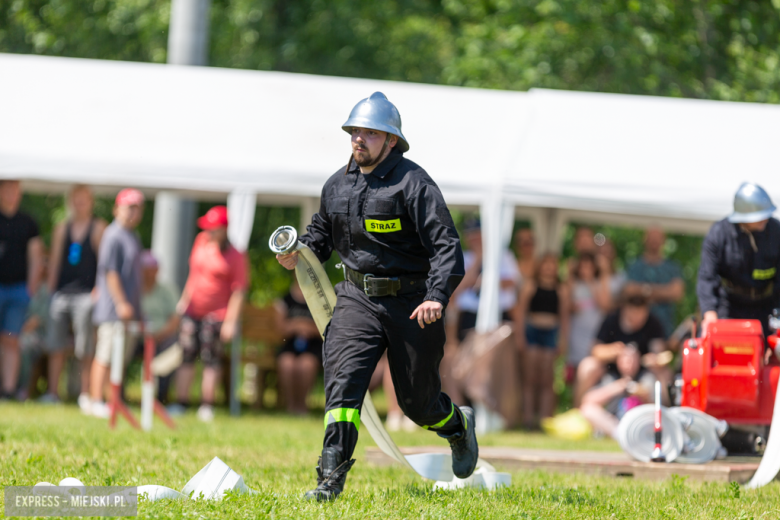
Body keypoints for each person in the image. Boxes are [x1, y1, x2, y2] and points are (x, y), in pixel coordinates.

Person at [276, 92, 477, 501]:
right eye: (354, 131)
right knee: (343, 387)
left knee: (417, 404)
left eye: (369, 132)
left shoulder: (415, 184)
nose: (358, 139)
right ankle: (329, 482)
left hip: (414, 303)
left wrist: (437, 295)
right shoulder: (336, 185)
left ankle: (457, 426)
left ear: (391, 140)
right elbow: (320, 234)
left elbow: (447, 248)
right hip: (355, 298)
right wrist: (299, 251)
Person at [173, 205, 247, 423]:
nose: (208, 232)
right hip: (192, 310)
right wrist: (183, 303)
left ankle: (207, 405)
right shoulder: (200, 242)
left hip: (217, 315)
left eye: (212, 228)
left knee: (210, 359)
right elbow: (193, 275)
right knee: (186, 355)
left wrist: (231, 322)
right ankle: (181, 402)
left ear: (224, 229)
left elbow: (239, 290)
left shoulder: (236, 255)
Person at [40, 185, 107, 408]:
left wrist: (99, 290)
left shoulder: (98, 228)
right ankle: (52, 393)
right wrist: (50, 292)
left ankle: (85, 393)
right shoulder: (62, 228)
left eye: (84, 199)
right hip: (62, 293)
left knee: (84, 346)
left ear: (91, 202)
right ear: (70, 201)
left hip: (87, 294)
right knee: (55, 344)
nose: (80, 203)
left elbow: (104, 264)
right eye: (76, 199)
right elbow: (56, 262)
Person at [89, 188, 145, 418]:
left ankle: (112, 401)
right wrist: (121, 302)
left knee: (118, 358)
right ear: (117, 209)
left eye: (137, 208)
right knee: (105, 355)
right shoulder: (112, 235)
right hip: (113, 310)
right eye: (129, 207)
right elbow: (110, 272)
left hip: (128, 311)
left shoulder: (133, 236)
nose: (133, 213)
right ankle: (94, 401)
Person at [698, 182, 780, 338]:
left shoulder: (776, 233)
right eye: (761, 215)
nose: (766, 219)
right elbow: (707, 277)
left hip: (766, 307)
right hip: (729, 306)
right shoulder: (719, 233)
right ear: (745, 216)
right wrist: (709, 313)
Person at [574, 295, 667, 405]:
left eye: (640, 315)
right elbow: (595, 350)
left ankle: (665, 412)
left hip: (643, 372)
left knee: (665, 374)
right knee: (587, 366)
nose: (637, 319)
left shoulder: (653, 323)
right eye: (633, 315)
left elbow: (659, 351)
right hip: (611, 371)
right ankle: (578, 409)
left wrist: (654, 359)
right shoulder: (611, 320)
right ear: (625, 310)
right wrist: (613, 351)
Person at [0, 180, 44, 399]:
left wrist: (31, 288)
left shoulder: (28, 222)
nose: (11, 194)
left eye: (14, 190)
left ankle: (8, 389)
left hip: (18, 290)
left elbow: (36, 257)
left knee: (11, 339)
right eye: (6, 189)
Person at [515, 253, 570, 429]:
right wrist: (520, 336)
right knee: (529, 378)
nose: (549, 268)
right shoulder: (531, 286)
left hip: (550, 333)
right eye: (545, 264)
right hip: (532, 331)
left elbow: (564, 317)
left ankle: (546, 420)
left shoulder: (561, 289)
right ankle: (528, 419)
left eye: (552, 264)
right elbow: (521, 312)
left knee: (547, 379)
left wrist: (562, 340)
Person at [454, 218, 520, 341]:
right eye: (470, 235)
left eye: (477, 235)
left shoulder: (504, 255)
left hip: (501, 312)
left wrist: (487, 282)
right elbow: (458, 286)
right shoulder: (462, 257)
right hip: (470, 314)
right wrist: (478, 258)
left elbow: (512, 281)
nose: (474, 239)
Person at [579, 344, 656, 439]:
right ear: (619, 361)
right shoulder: (611, 378)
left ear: (638, 361)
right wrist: (616, 387)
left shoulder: (646, 377)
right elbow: (587, 399)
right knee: (588, 409)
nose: (630, 363)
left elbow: (657, 406)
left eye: (633, 360)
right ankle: (618, 434)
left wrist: (644, 395)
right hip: (615, 422)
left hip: (639, 423)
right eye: (627, 360)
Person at [624, 227, 684, 337]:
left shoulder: (672, 267)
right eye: (651, 238)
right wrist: (664, 291)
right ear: (644, 240)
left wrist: (645, 290)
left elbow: (677, 293)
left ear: (663, 241)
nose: (654, 241)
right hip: (637, 331)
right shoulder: (635, 266)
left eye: (657, 238)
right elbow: (629, 290)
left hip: (665, 327)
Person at [274, 279, 322, 415]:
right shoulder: (284, 299)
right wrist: (299, 326)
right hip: (289, 344)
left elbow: (324, 328)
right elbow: (280, 328)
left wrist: (303, 326)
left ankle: (301, 405)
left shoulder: (319, 299)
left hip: (313, 346)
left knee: (307, 365)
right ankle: (290, 405)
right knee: (286, 363)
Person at [139, 250, 180, 404]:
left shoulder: (167, 290)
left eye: (153, 270)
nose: (150, 274)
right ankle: (118, 397)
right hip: (139, 337)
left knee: (172, 350)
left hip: (162, 337)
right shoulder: (134, 290)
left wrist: (159, 335)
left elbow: (175, 319)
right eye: (146, 270)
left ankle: (161, 399)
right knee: (122, 349)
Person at [568, 253, 612, 378]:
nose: (585, 270)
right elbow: (566, 305)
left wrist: (592, 282)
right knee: (577, 369)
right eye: (582, 267)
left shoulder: (600, 283)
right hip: (577, 335)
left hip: (595, 334)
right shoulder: (574, 284)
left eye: (589, 267)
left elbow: (605, 305)